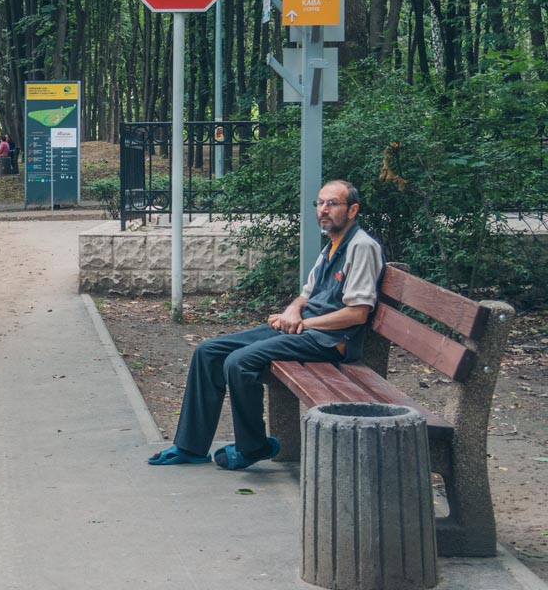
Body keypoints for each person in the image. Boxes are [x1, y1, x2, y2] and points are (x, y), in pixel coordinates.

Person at [148, 180, 384, 470]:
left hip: (330, 341)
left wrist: (304, 322)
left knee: (239, 362)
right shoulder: (332, 246)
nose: (323, 210)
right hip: (306, 329)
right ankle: (190, 446)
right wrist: (292, 312)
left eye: (332, 203)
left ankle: (253, 447)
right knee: (208, 351)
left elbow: (357, 314)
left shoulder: (361, 247)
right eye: (320, 203)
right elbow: (305, 294)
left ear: (353, 210)